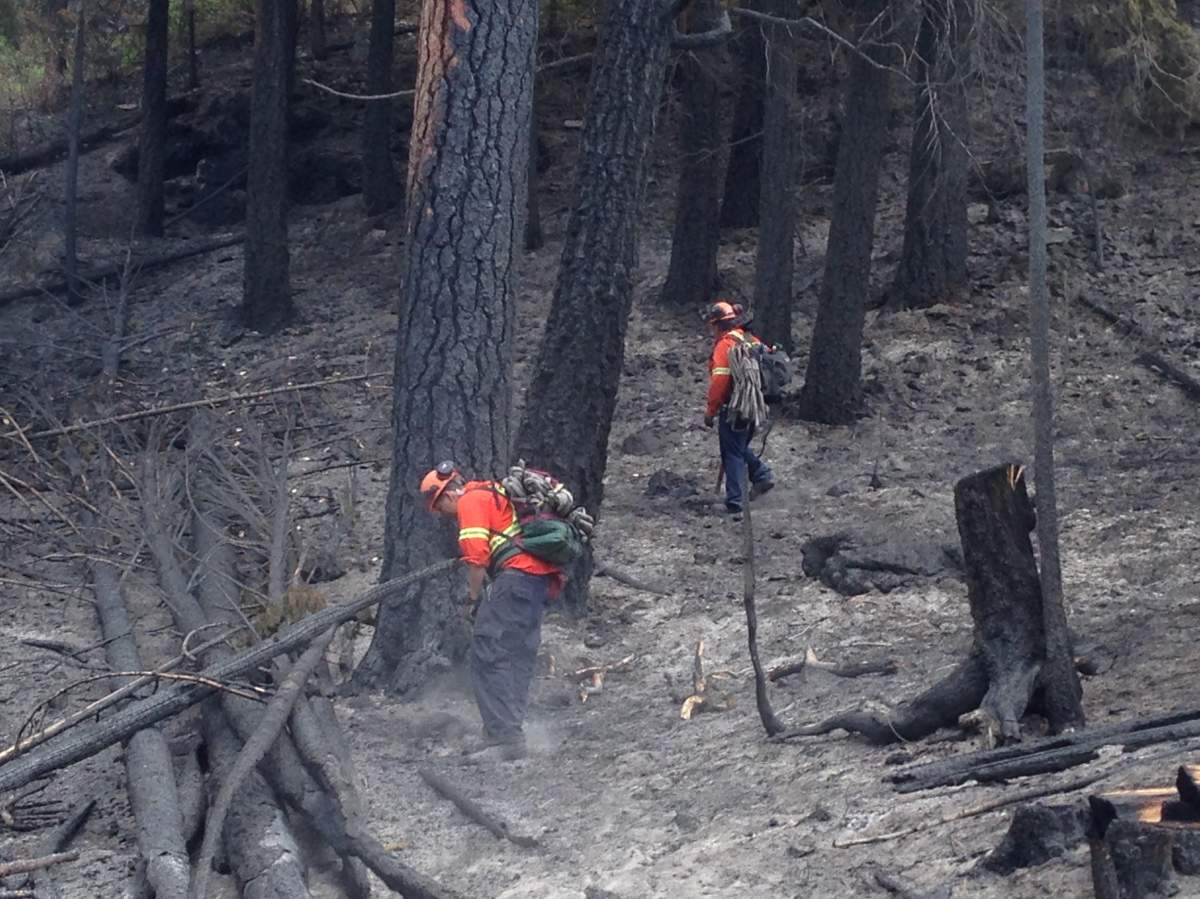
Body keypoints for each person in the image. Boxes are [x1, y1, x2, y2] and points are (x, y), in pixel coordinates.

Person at [419, 461, 563, 760]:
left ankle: (505, 738)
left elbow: (476, 557)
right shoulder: (493, 492)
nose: (445, 515)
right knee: (518, 654)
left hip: (513, 580)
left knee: (488, 652)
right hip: (535, 583)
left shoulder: (470, 501)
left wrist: (472, 599)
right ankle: (509, 731)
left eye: (441, 508)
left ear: (448, 495)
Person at [703, 300, 775, 515]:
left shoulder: (725, 345)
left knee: (732, 452)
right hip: (755, 404)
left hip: (735, 407)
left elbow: (720, 382)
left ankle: (735, 501)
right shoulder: (751, 340)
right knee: (738, 446)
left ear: (717, 325)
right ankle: (761, 475)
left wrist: (711, 410)